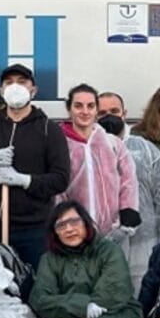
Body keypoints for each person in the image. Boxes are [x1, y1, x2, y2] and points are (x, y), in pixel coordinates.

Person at [0, 63, 71, 270]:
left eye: (22, 82)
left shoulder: (49, 130)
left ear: (33, 90)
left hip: (34, 230)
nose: (15, 86)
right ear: (2, 91)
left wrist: (24, 180)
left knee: (33, 289)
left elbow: (61, 179)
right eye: (9, 83)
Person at [96, 92, 160, 291]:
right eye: (102, 113)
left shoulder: (146, 150)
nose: (109, 117)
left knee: (142, 303)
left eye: (114, 111)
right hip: (100, 248)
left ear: (124, 113)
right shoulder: (85, 153)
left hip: (143, 247)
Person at [57, 83, 140, 241]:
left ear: (96, 110)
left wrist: (128, 210)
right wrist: (63, 219)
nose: (85, 111)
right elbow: (58, 188)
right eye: (78, 106)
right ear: (69, 109)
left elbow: (128, 179)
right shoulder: (60, 143)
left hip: (112, 231)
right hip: (74, 232)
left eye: (91, 106)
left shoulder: (112, 143)